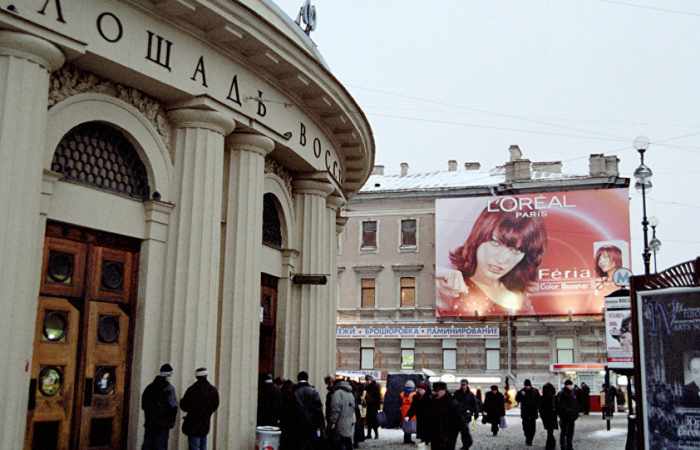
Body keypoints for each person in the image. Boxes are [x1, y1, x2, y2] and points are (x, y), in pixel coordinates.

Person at [437, 206, 547, 316]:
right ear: (478, 236)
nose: (502, 259)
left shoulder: (520, 293)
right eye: (496, 243)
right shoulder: (451, 288)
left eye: (516, 251)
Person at [180, 367, 220, 450]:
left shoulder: (191, 390)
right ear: (206, 375)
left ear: (196, 377)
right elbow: (215, 405)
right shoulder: (212, 390)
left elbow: (184, 406)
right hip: (205, 423)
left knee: (194, 446)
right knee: (203, 446)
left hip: (193, 423)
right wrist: (207, 413)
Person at [141, 363, 178, 450]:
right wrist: (170, 422)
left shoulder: (149, 387)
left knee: (148, 445)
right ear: (168, 375)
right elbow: (173, 406)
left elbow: (144, 405)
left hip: (150, 423)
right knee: (160, 446)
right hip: (162, 425)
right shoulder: (169, 388)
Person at [294, 371, 325, 450]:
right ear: (307, 379)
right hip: (312, 423)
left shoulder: (294, 391)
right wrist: (321, 425)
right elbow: (319, 409)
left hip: (297, 423)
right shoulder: (314, 391)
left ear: (298, 379)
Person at [426, 382, 460, 450]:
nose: (434, 393)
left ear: (443, 390)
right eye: (434, 391)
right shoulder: (432, 401)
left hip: (448, 435)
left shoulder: (452, 403)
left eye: (436, 391)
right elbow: (429, 418)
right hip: (435, 434)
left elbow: (459, 421)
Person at [327, 379, 356, 450]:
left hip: (340, 422)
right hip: (349, 421)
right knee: (347, 441)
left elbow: (335, 410)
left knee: (339, 443)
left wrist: (332, 422)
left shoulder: (337, 393)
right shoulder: (350, 394)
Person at [516, 379, 541, 446]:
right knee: (525, 427)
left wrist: (539, 409)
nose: (527, 387)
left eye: (528, 385)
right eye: (526, 385)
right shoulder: (522, 391)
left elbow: (539, 400)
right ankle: (527, 437)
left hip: (533, 412)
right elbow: (517, 399)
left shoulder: (535, 391)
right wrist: (520, 394)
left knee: (532, 427)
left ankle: (530, 440)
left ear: (530, 385)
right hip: (525, 412)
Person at [453, 379, 476, 449]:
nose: (463, 386)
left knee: (464, 430)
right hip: (457, 414)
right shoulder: (457, 393)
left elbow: (474, 404)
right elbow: (453, 402)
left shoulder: (471, 394)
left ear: (467, 385)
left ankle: (466, 444)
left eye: (464, 384)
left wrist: (472, 412)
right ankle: (466, 444)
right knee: (460, 431)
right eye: (462, 384)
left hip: (466, 415)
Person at [557, 380, 580, 450]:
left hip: (571, 418)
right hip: (564, 418)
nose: (571, 386)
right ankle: (563, 447)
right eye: (570, 385)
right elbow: (560, 406)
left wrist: (576, 413)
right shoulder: (561, 393)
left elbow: (575, 404)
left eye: (571, 385)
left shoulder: (573, 393)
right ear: (567, 385)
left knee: (570, 433)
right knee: (564, 433)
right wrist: (568, 412)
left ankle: (569, 446)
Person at [539, 382, 558, 450]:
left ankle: (550, 445)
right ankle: (551, 444)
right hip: (552, 416)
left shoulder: (542, 398)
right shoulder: (554, 397)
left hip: (546, 416)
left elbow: (540, 408)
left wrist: (542, 415)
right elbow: (557, 407)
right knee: (550, 431)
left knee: (549, 431)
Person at [364, 374, 382, 439]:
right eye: (366, 380)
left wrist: (370, 400)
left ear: (371, 380)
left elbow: (378, 398)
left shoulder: (375, 386)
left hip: (373, 407)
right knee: (369, 421)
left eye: (367, 380)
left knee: (374, 421)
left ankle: (376, 434)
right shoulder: (369, 386)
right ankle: (369, 434)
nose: (367, 381)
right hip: (370, 406)